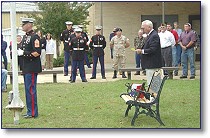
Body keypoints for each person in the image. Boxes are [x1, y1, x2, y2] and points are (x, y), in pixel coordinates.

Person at [17, 17, 42, 118]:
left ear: (29, 25)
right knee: (28, 90)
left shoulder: (34, 37)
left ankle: (32, 113)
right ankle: (29, 111)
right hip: (26, 67)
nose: (22, 26)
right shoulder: (25, 37)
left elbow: (37, 52)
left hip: (31, 67)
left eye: (24, 24)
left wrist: (24, 53)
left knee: (30, 89)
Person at [136, 20, 162, 86]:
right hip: (150, 63)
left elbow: (153, 49)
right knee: (151, 82)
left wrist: (142, 51)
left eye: (143, 28)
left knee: (152, 83)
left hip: (152, 63)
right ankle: (152, 95)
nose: (142, 30)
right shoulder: (150, 35)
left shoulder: (154, 35)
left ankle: (152, 95)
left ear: (149, 27)